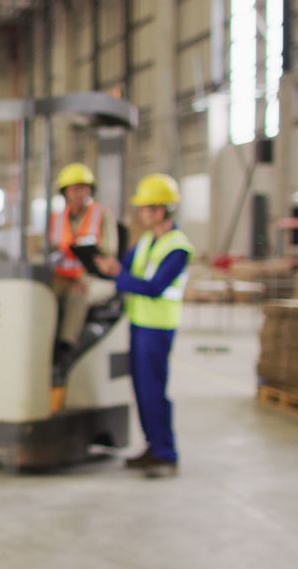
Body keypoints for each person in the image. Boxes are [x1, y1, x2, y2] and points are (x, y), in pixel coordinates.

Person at [96, 173, 193, 479]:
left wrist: (119, 277)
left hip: (158, 329)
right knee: (141, 390)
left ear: (161, 210)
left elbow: (154, 287)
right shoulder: (148, 241)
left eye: (145, 208)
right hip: (139, 325)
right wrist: (111, 267)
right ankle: (152, 447)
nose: (140, 214)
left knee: (154, 392)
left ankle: (166, 454)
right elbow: (127, 267)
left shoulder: (178, 248)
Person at [50, 163, 118, 366]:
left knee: (78, 294)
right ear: (65, 192)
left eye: (84, 188)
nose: (79, 193)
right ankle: (46, 341)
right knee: (45, 293)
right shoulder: (57, 218)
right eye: (74, 189)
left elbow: (109, 250)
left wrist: (87, 250)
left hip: (92, 276)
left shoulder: (101, 215)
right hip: (62, 275)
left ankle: (65, 346)